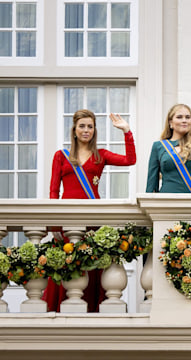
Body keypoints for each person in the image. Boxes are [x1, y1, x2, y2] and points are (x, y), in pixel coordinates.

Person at [45, 109, 137, 312]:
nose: (86, 130)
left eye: (90, 126)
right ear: (74, 129)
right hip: (68, 221)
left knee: (92, 268)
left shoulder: (101, 155)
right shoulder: (60, 156)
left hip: (93, 221)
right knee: (68, 267)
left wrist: (126, 131)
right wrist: (54, 224)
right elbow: (53, 192)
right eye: (82, 126)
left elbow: (130, 160)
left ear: (94, 130)